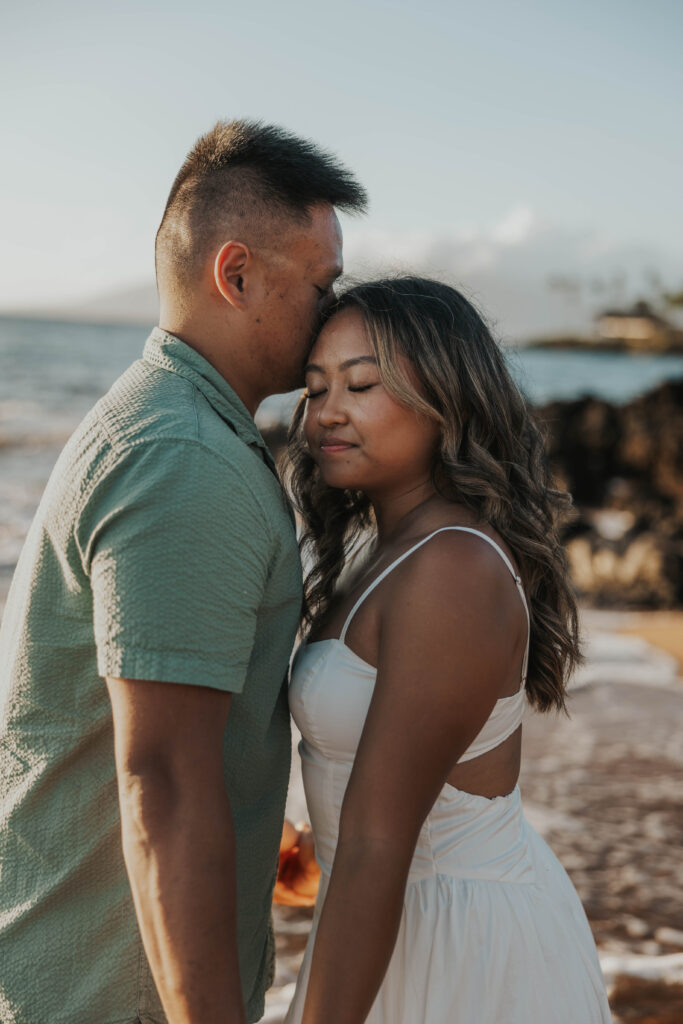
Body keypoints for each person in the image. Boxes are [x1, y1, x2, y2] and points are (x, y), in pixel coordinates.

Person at [0, 120, 367, 1024]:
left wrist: (253, 820)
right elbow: (160, 779)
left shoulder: (163, 419)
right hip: (113, 996)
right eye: (321, 286)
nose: (332, 311)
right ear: (235, 274)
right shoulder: (184, 458)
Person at [282, 277, 612, 1023]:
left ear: (446, 401)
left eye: (361, 384)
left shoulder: (450, 567)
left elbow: (379, 838)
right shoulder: (387, 545)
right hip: (389, 918)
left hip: (462, 946)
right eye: (314, 386)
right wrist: (317, 838)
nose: (327, 411)